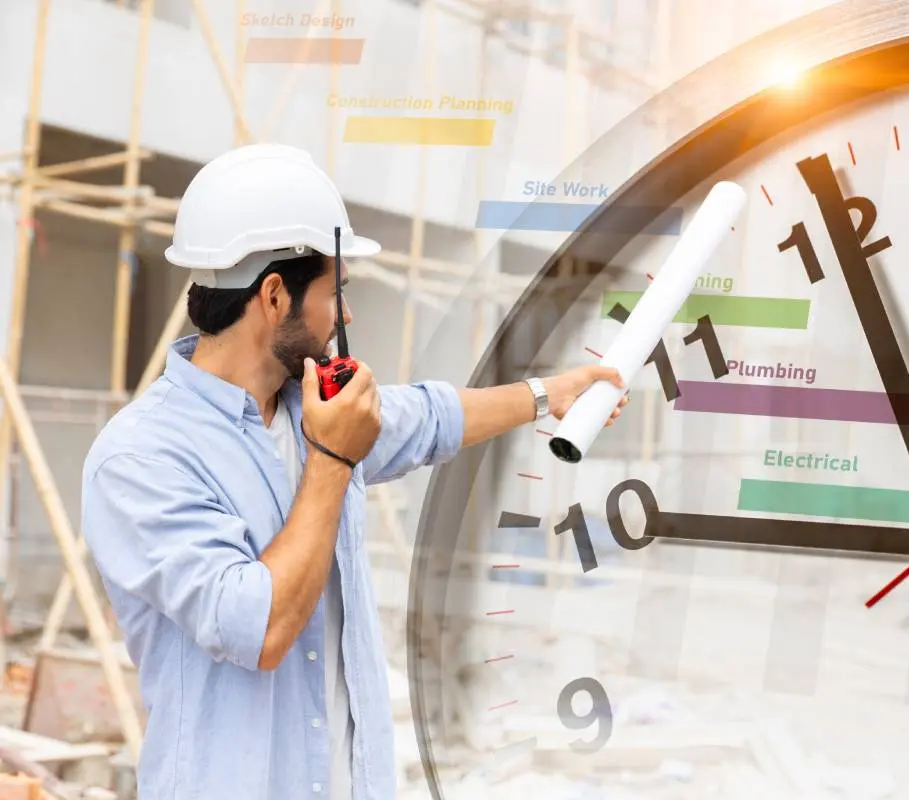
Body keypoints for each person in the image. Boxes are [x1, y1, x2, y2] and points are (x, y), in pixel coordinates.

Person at [79, 144, 627, 800]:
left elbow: (430, 417)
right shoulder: (142, 458)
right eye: (335, 291)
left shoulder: (312, 405)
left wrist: (548, 395)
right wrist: (334, 460)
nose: (345, 315)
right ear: (275, 296)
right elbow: (257, 628)